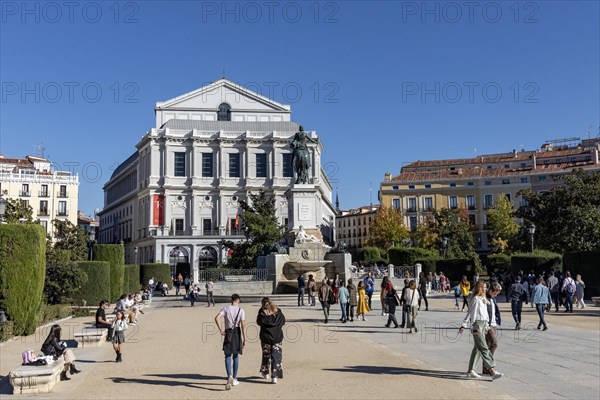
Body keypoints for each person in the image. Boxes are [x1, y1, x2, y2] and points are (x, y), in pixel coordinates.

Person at [459, 281, 503, 380]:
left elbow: (486, 315)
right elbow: (470, 313)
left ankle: (470, 370)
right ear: (479, 288)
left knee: (477, 348)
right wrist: (463, 325)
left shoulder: (483, 299)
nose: (485, 289)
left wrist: (487, 326)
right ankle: (492, 371)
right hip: (477, 325)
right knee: (484, 347)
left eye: (485, 287)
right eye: (483, 287)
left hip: (483, 325)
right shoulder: (475, 299)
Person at [215, 294, 247, 390]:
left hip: (228, 332)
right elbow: (243, 325)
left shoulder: (226, 309)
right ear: (238, 301)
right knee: (236, 356)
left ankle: (229, 375)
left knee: (227, 355)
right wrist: (245, 338)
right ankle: (235, 378)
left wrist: (221, 330)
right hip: (237, 332)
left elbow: (216, 318)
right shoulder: (241, 310)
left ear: (231, 300)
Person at [256, 297, 286, 384]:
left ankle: (265, 372)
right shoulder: (278, 312)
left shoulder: (261, 313)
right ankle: (275, 376)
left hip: (266, 337)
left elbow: (258, 322)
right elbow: (283, 321)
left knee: (266, 355)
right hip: (277, 336)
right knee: (276, 356)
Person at [484, 282, 502, 375]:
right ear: (490, 290)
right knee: (494, 344)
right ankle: (489, 365)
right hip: (488, 324)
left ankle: (485, 368)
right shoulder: (485, 298)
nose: (495, 295)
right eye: (494, 293)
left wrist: (498, 321)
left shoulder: (493, 299)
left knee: (488, 345)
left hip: (494, 324)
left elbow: (495, 311)